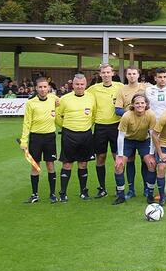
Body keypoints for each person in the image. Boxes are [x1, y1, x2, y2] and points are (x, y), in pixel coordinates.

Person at [55, 74, 96, 202]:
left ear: (85, 85)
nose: (79, 87)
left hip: (86, 134)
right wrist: (67, 126)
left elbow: (93, 115)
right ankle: (63, 193)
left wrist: (86, 126)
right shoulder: (64, 99)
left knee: (83, 163)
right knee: (67, 164)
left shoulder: (91, 98)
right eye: (77, 84)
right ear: (72, 85)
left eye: (82, 84)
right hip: (69, 134)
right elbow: (57, 115)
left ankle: (83, 192)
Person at [112, 93, 157, 205]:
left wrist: (151, 153)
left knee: (151, 164)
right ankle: (121, 195)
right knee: (119, 165)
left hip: (144, 141)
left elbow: (153, 135)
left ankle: (150, 194)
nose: (140, 105)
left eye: (142, 103)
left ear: (146, 104)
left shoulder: (151, 115)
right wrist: (120, 156)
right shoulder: (126, 116)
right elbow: (121, 136)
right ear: (132, 104)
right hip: (128, 141)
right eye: (137, 103)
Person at [86, 63, 123, 199]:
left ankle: (120, 188)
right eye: (104, 73)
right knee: (100, 158)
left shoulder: (120, 87)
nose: (106, 75)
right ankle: (102, 188)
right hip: (100, 127)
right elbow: (80, 95)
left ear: (113, 73)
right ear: (100, 74)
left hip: (116, 126)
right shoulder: (93, 89)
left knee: (117, 158)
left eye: (108, 72)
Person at [20, 77, 59, 203]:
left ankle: (52, 194)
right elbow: (27, 123)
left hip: (50, 137)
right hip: (36, 138)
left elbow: (64, 104)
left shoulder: (54, 99)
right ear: (36, 88)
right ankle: (34, 194)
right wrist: (24, 141)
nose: (43, 89)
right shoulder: (31, 103)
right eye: (40, 87)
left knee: (50, 165)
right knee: (35, 166)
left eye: (45, 87)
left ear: (49, 88)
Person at [114, 67, 149, 199]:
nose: (132, 76)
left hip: (143, 133)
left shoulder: (145, 88)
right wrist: (132, 114)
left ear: (138, 75)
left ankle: (147, 188)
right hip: (128, 132)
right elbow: (117, 110)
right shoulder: (122, 90)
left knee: (146, 161)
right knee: (129, 161)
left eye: (134, 73)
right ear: (126, 75)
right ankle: (131, 189)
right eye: (129, 74)